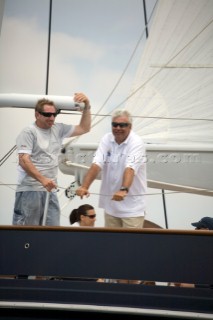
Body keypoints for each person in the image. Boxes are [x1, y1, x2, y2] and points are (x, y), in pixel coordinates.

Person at [13, 93, 91, 226]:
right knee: (27, 235)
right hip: (30, 190)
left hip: (51, 191)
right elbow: (24, 160)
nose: (52, 118)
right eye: (47, 115)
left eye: (54, 114)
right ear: (37, 114)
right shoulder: (28, 132)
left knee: (53, 232)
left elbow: (84, 128)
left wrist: (87, 106)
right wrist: (43, 180)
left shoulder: (58, 129)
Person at [76, 109, 147, 229]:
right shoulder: (107, 139)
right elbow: (96, 164)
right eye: (115, 125)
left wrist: (123, 190)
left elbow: (130, 168)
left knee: (130, 247)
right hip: (111, 208)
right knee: (111, 246)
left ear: (130, 126)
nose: (118, 128)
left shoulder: (136, 143)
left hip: (132, 210)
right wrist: (84, 186)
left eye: (122, 125)